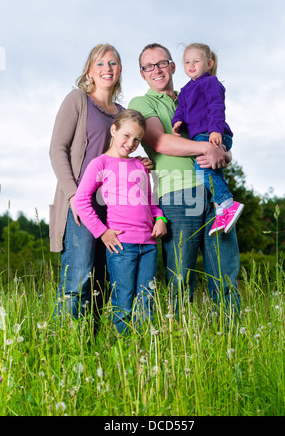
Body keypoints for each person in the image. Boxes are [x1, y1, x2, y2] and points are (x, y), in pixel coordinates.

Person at [128, 43, 241, 317]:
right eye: (148, 66)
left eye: (162, 63)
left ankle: (231, 339)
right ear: (142, 74)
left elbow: (218, 137)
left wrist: (223, 154)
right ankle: (179, 343)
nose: (156, 70)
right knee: (180, 278)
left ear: (173, 66)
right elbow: (160, 141)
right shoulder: (143, 103)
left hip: (215, 193)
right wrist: (207, 149)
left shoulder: (193, 92)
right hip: (179, 195)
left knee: (225, 273)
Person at [49, 44, 151, 320]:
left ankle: (93, 345)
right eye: (101, 64)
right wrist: (73, 197)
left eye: (113, 63)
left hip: (116, 207)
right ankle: (69, 344)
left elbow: (121, 153)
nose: (107, 69)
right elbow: (57, 149)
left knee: (103, 279)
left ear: (119, 71)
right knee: (79, 275)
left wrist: (138, 164)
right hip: (82, 204)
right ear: (90, 71)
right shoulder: (78, 100)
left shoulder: (122, 112)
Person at [73, 109, 167, 334]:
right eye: (126, 135)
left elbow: (149, 201)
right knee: (123, 301)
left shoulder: (139, 166)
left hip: (149, 245)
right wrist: (102, 232)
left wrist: (160, 217)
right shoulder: (100, 164)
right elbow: (81, 200)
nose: (131, 143)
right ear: (113, 130)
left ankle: (143, 351)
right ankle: (123, 353)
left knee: (146, 301)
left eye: (137, 140)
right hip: (121, 245)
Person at [172, 43, 244, 237]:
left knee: (201, 168)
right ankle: (221, 212)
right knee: (213, 171)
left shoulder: (210, 82)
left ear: (209, 63)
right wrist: (177, 120)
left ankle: (227, 202)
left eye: (196, 61)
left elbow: (216, 107)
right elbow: (182, 108)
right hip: (202, 135)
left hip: (213, 133)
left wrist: (215, 130)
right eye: (187, 62)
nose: (191, 65)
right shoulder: (186, 89)